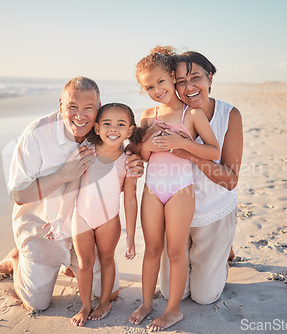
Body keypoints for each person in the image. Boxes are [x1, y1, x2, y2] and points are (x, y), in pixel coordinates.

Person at [0, 77, 144, 312]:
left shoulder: (101, 131)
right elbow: (19, 195)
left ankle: (71, 262)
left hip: (87, 225)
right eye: (72, 107)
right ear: (61, 104)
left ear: (98, 107)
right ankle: (17, 257)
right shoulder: (36, 135)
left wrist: (134, 163)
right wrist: (63, 174)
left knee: (111, 293)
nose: (80, 116)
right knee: (36, 304)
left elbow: (116, 163)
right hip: (45, 226)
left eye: (88, 108)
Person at [129, 46, 220, 331]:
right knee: (152, 249)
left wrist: (180, 143)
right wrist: (147, 141)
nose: (157, 90)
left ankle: (172, 310)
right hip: (152, 189)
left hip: (181, 189)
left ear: (171, 76)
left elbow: (213, 151)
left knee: (176, 251)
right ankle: (146, 303)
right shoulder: (147, 116)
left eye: (161, 83)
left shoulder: (192, 115)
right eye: (149, 87)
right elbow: (139, 155)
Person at [158, 51, 243, 306]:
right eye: (181, 81)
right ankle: (215, 254)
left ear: (210, 78)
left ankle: (223, 248)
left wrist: (189, 153)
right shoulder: (167, 115)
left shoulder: (230, 115)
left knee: (204, 297)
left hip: (214, 212)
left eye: (196, 77)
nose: (189, 87)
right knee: (171, 293)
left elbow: (230, 180)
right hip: (176, 215)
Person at [60, 103, 143, 326]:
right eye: (107, 123)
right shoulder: (87, 153)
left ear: (130, 130)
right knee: (84, 263)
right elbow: (72, 187)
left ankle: (104, 301)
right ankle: (85, 305)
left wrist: (131, 236)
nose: (113, 128)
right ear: (96, 128)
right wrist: (60, 218)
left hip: (109, 220)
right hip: (82, 217)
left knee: (107, 259)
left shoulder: (127, 162)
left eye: (120, 124)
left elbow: (130, 199)